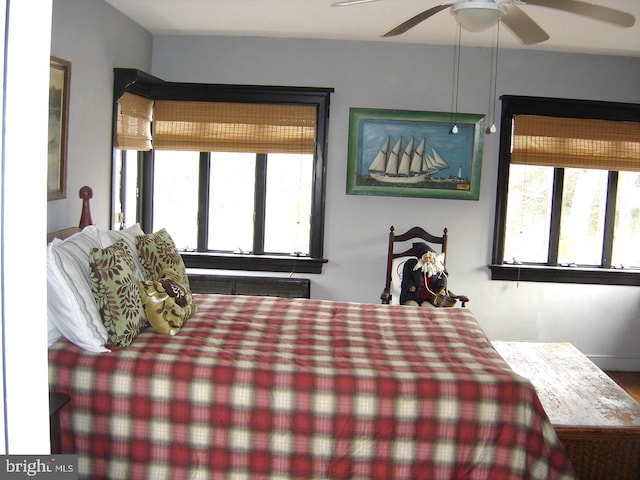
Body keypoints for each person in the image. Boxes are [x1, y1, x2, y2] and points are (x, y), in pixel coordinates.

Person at [400, 242, 448, 306]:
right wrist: (410, 285)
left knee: (428, 308)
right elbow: (407, 277)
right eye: (425, 258)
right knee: (412, 306)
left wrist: (441, 288)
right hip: (412, 296)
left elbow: (443, 277)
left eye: (430, 257)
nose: (428, 260)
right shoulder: (412, 265)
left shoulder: (437, 267)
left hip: (430, 298)